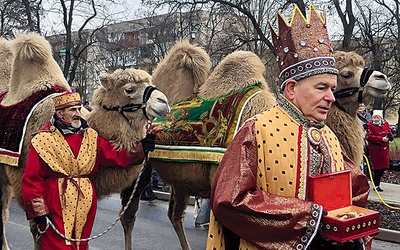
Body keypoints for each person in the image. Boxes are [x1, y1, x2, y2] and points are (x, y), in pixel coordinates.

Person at [206, 5, 370, 250]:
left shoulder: (330, 138)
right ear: (292, 89)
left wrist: (353, 231)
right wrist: (309, 222)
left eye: (332, 89)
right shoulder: (256, 132)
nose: (331, 97)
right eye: (321, 87)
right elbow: (229, 200)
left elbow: (354, 187)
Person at [21, 91, 155, 250]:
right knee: (57, 246)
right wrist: (39, 212)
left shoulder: (90, 136)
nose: (78, 113)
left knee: (81, 245)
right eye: (72, 110)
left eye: (78, 109)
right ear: (59, 113)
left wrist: (140, 148)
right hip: (56, 201)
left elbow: (112, 155)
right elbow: (31, 179)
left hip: (84, 203)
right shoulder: (42, 140)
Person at [367, 110, 393, 192]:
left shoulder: (385, 124)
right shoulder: (370, 125)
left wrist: (390, 137)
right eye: (375, 117)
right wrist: (381, 139)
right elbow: (369, 136)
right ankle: (376, 184)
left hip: (385, 149)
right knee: (377, 168)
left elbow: (389, 132)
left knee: (384, 167)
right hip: (376, 149)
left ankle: (376, 181)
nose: (376, 119)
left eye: (378, 117)